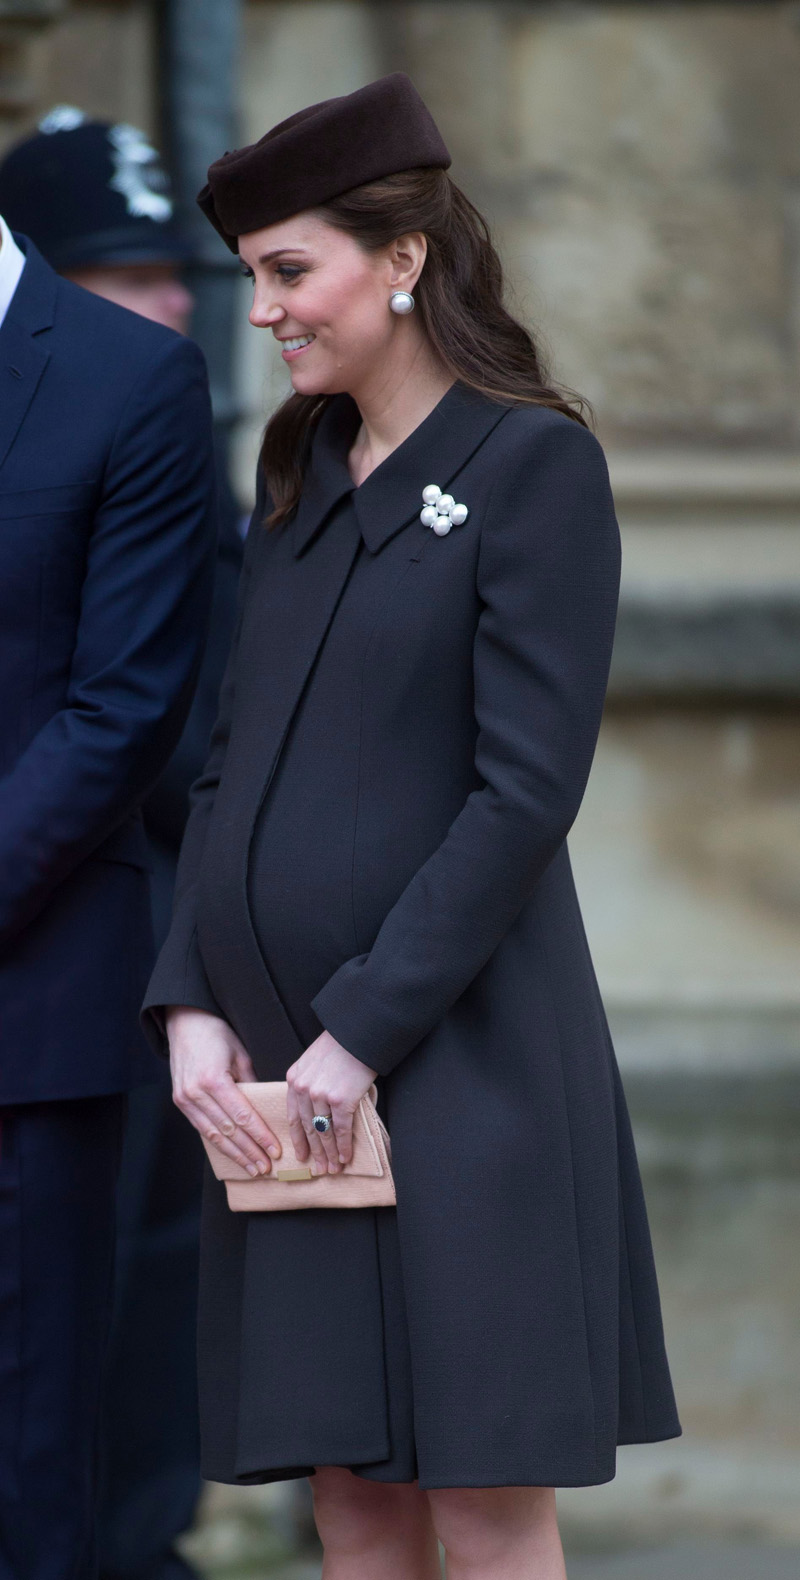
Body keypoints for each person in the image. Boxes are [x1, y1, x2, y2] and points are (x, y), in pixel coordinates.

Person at [143, 74, 681, 1580]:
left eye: (286, 270)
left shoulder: (534, 465)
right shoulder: (302, 471)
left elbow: (525, 794)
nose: (263, 311)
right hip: (282, 1078)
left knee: (482, 1500)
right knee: (353, 1497)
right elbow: (228, 767)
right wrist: (190, 997)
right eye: (250, 277)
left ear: (402, 259)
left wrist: (353, 1033)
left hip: (458, 1070)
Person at [0, 108, 243, 1580]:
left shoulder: (138, 400)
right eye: (123, 267)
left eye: (177, 270)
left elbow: (150, 711)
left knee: (96, 1374)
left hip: (103, 955)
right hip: (107, 929)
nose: (170, 295)